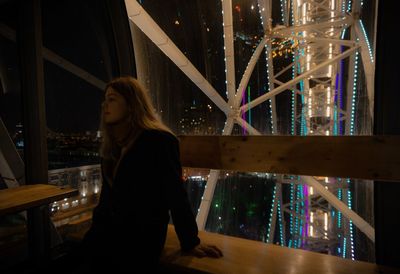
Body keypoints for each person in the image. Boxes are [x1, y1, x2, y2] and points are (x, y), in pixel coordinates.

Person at [68, 76, 222, 273]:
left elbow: (175, 194)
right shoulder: (111, 148)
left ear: (132, 104)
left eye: (112, 99)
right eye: (105, 99)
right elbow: (107, 200)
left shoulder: (160, 141)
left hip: (139, 240)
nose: (104, 105)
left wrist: (190, 240)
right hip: (105, 234)